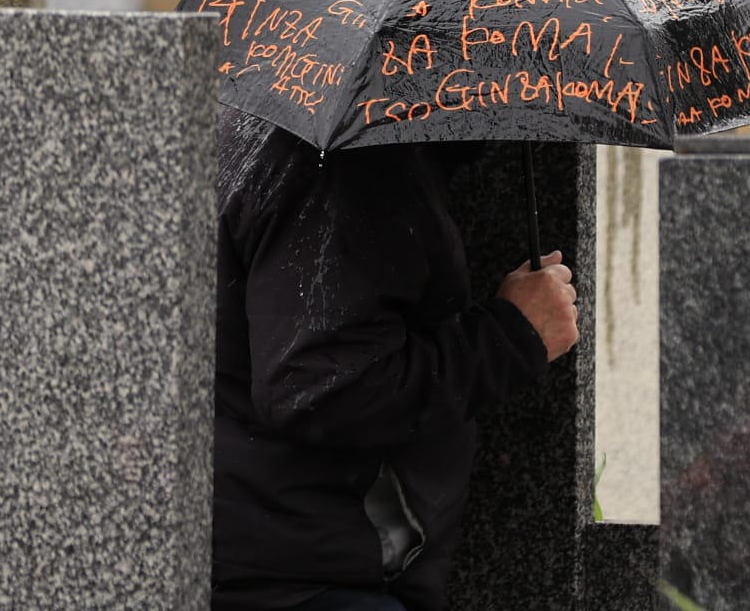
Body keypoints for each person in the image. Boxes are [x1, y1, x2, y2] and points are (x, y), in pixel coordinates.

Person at [211, 108, 580, 611]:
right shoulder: (343, 165)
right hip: (308, 565)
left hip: (281, 545)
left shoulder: (298, 123)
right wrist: (511, 336)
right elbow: (318, 388)